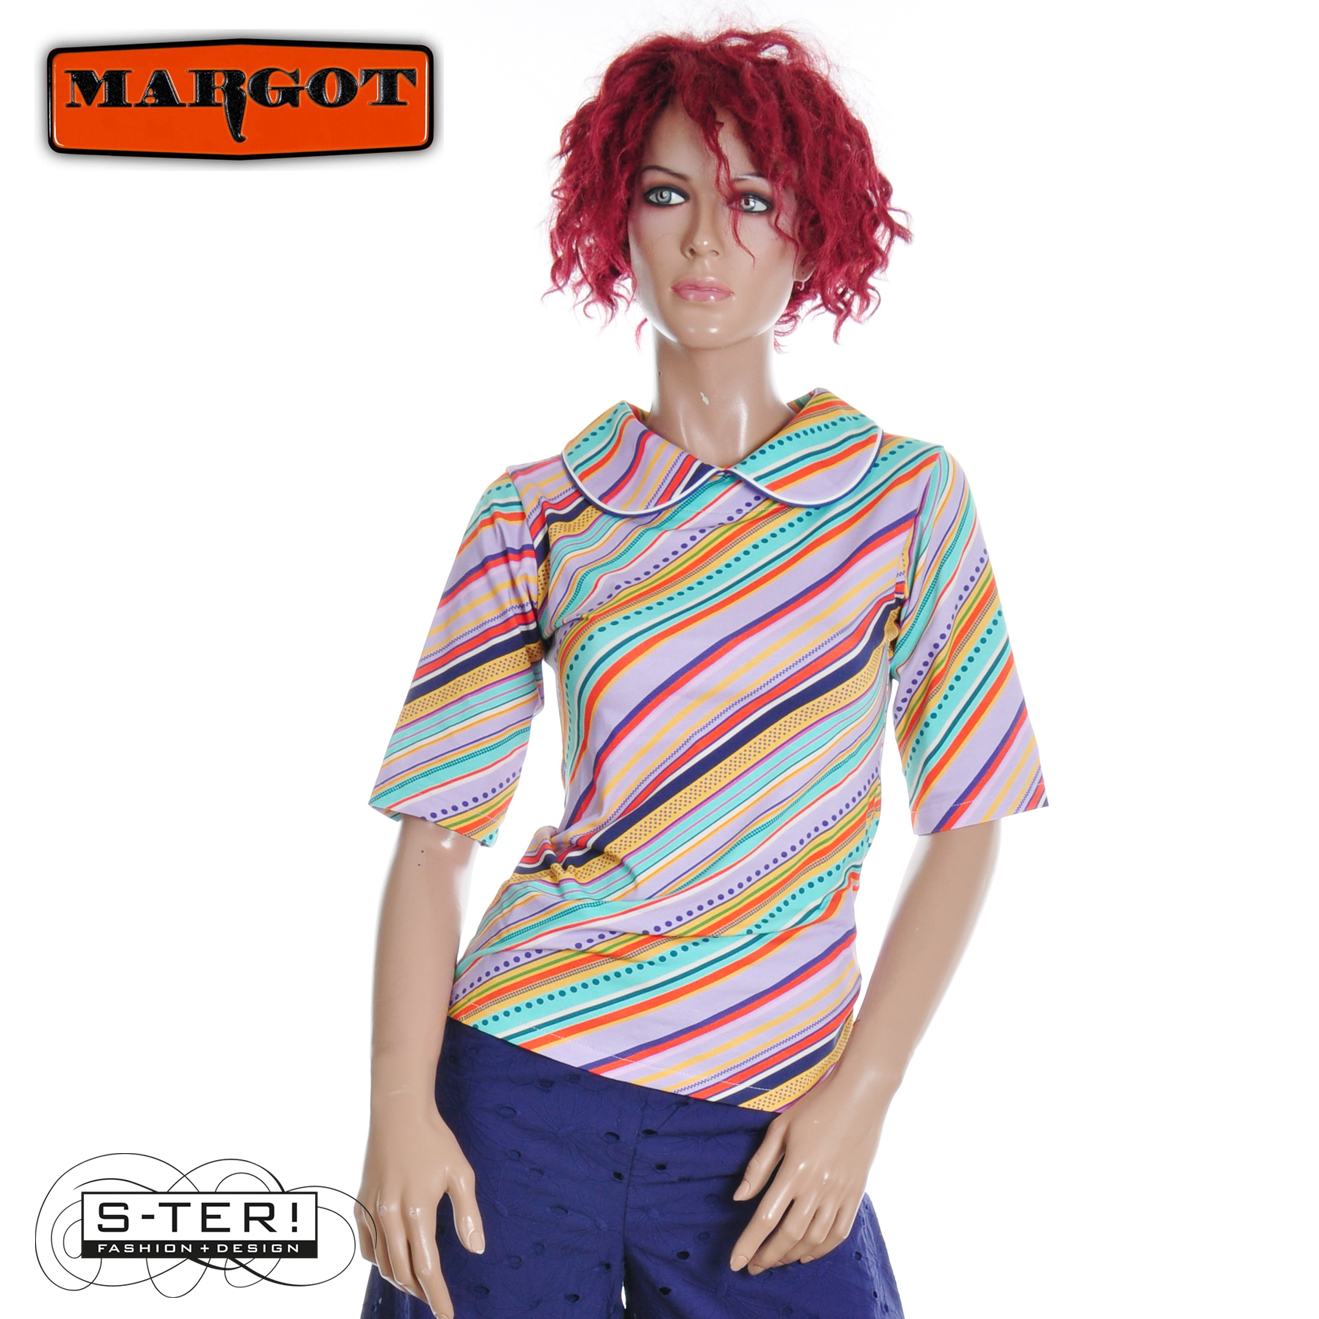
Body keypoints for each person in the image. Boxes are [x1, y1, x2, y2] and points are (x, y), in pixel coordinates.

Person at [356, 27, 1046, 1319]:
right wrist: (399, 1103)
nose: (708, 241)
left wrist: (863, 1096)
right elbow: (437, 836)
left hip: (770, 1116)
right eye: (668, 194)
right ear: (614, 219)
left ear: (814, 229)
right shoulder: (539, 512)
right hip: (521, 1084)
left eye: (755, 201)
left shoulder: (903, 500)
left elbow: (969, 821)